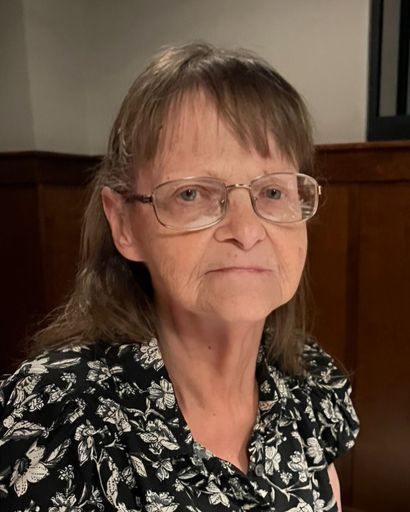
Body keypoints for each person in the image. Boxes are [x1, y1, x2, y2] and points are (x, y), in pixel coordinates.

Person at [0, 42, 359, 511]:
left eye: (273, 191)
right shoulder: (57, 421)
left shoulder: (306, 383)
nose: (246, 231)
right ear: (124, 224)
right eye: (191, 194)